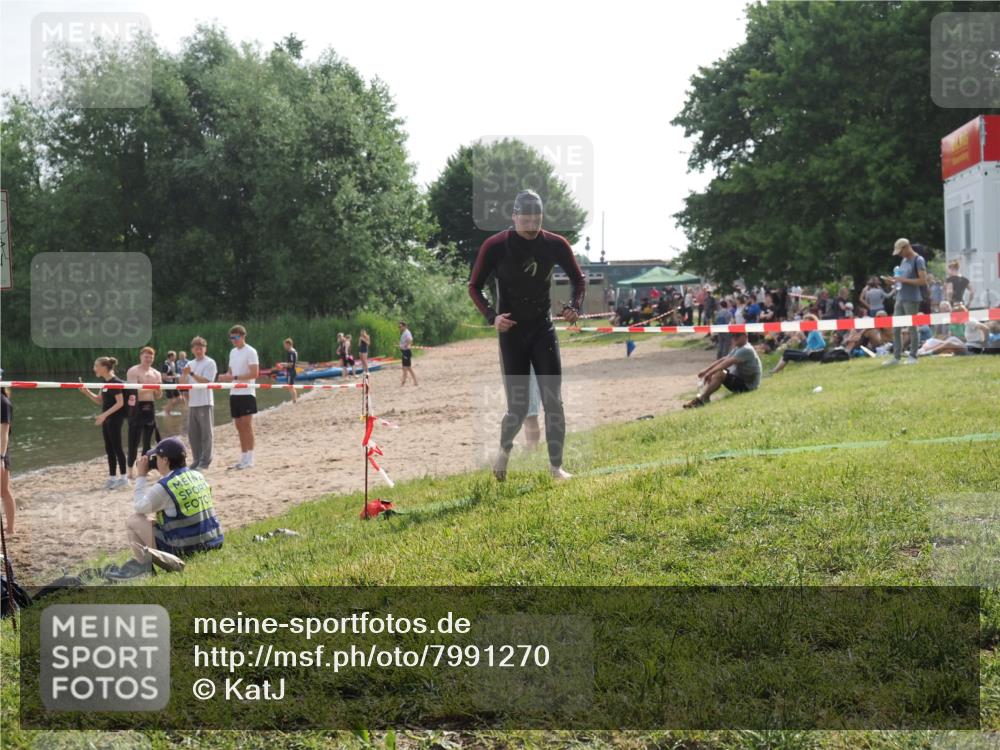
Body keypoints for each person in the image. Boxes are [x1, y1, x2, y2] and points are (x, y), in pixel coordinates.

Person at [468, 189, 584, 481]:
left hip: (542, 329)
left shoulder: (555, 244)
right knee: (518, 408)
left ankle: (556, 467)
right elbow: (474, 286)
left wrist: (574, 307)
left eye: (537, 219)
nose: (532, 226)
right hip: (512, 333)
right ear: (514, 216)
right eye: (526, 220)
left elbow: (578, 280)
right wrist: (492, 317)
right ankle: (504, 452)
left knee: (554, 402)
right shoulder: (496, 246)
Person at [125, 437, 223, 571]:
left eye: (157, 458)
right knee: (155, 520)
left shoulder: (165, 486)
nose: (155, 461)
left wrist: (141, 476)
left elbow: (139, 507)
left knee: (133, 520)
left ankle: (145, 571)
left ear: (165, 460)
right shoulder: (197, 475)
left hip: (186, 548)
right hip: (213, 541)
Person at [80, 357, 127, 489]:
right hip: (106, 419)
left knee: (117, 448)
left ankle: (124, 478)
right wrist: (87, 392)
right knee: (109, 448)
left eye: (96, 366)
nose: (94, 368)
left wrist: (104, 415)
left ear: (104, 367)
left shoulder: (115, 382)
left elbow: (120, 403)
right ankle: (112, 478)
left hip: (115, 419)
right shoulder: (104, 383)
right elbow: (100, 400)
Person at [683, 331, 761, 408]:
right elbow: (724, 359)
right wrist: (707, 370)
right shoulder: (739, 347)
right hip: (743, 380)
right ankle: (704, 397)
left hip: (748, 386)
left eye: (737, 335)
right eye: (733, 335)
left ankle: (701, 400)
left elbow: (727, 363)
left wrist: (709, 373)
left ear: (745, 336)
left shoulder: (746, 349)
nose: (734, 338)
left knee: (720, 374)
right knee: (718, 371)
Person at [218, 325, 259, 470]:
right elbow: (230, 372)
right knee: (238, 426)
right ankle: (243, 456)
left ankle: (250, 458)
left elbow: (254, 373)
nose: (233, 340)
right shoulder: (232, 352)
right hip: (234, 392)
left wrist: (234, 377)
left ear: (243, 336)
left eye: (236, 337)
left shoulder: (251, 351)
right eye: (231, 338)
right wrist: (225, 376)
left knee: (247, 425)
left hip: (247, 392)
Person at [882, 238, 927, 366]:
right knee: (896, 328)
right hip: (900, 297)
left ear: (906, 247)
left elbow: (923, 281)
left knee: (912, 327)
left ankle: (913, 356)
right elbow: (901, 279)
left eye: (900, 252)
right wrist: (893, 281)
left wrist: (903, 280)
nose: (899, 255)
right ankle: (896, 357)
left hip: (912, 298)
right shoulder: (904, 260)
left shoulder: (919, 260)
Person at [125, 347, 162, 480]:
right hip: (136, 407)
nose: (148, 359)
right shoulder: (133, 371)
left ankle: (144, 469)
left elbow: (158, 395)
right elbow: (133, 391)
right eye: (146, 357)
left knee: (147, 442)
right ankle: (130, 471)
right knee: (133, 441)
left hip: (150, 406)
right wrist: (151, 386)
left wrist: (156, 388)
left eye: (151, 357)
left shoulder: (156, 373)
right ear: (141, 357)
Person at [183, 336, 218, 469]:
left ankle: (205, 461)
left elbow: (207, 381)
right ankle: (196, 459)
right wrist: (184, 377)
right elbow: (183, 383)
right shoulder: (189, 364)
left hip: (205, 402)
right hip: (192, 403)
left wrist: (191, 373)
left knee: (206, 434)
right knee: (193, 435)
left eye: (201, 348)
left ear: (205, 349)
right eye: (196, 348)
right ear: (192, 350)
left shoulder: (210, 362)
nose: (198, 351)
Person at [1, 383, 14, 536]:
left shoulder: (3, 402)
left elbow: (4, 434)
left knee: (4, 490)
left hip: (1, 452)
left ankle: (10, 529)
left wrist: (1, 457)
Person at [161, 351, 182, 415]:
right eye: (175, 356)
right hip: (167, 384)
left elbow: (173, 372)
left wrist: (177, 375)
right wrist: (175, 376)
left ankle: (166, 408)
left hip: (174, 383)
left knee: (180, 399)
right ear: (171, 356)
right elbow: (163, 377)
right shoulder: (165, 365)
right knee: (170, 399)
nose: (176, 357)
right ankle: (167, 413)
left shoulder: (173, 363)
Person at [399, 321, 417, 386]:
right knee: (405, 367)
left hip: (406, 352)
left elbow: (410, 340)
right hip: (404, 351)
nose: (399, 328)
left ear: (404, 326)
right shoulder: (404, 333)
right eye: (399, 327)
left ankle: (414, 381)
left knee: (407, 367)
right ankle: (404, 381)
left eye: (400, 326)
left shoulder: (407, 332)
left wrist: (405, 345)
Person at [282, 338, 298, 404]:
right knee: (291, 386)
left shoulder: (291, 352)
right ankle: (294, 400)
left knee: (290, 386)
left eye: (285, 345)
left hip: (291, 371)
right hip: (292, 371)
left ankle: (294, 401)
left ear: (288, 344)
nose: (284, 346)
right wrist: (285, 365)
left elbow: (291, 364)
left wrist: (283, 364)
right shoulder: (293, 351)